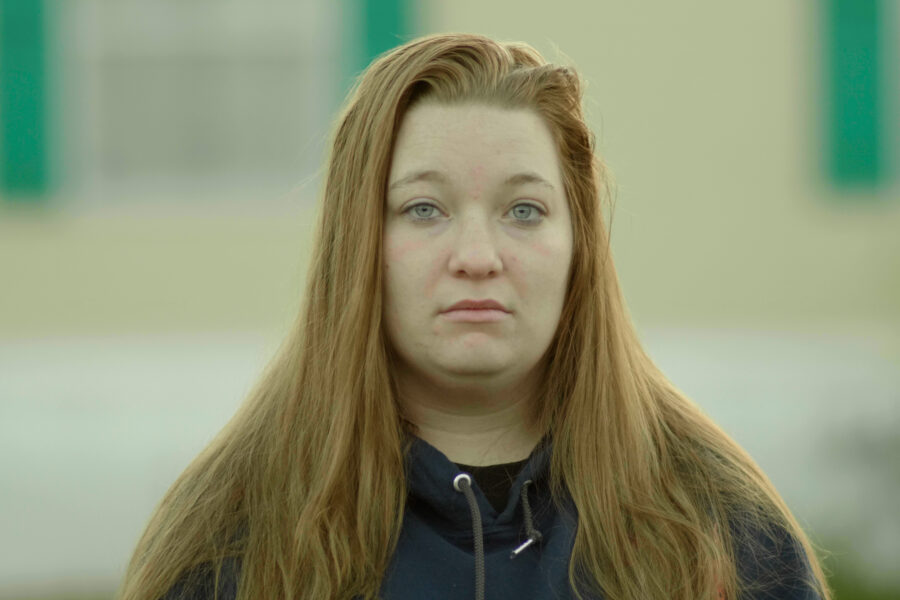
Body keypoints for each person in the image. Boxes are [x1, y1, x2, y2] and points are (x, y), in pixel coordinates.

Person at [118, 33, 832, 600]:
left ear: (580, 244)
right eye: (423, 209)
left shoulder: (717, 525)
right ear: (356, 245)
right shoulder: (230, 536)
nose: (477, 255)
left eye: (524, 211)